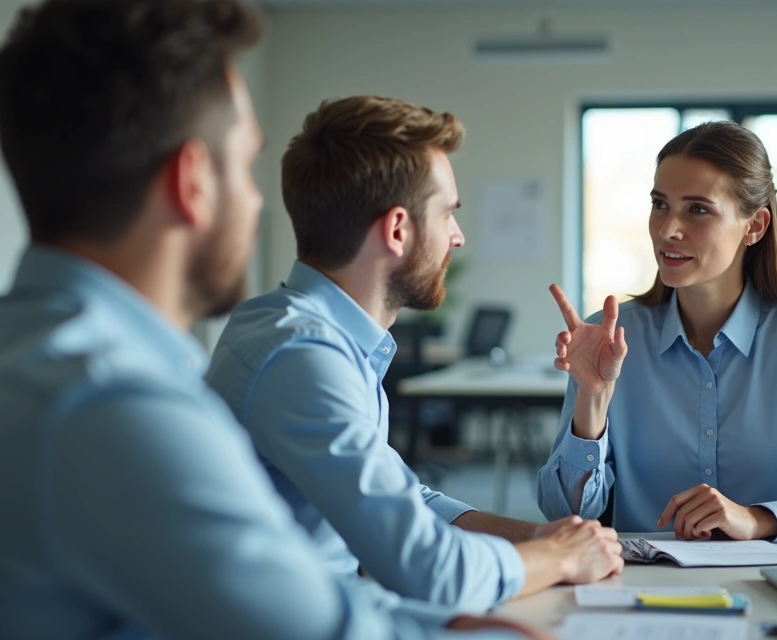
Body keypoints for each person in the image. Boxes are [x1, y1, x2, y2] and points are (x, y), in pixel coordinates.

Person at [0, 2, 547, 638]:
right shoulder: (112, 397)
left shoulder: (7, 348)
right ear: (192, 182)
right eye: (247, 165)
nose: (261, 202)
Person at [206, 95, 623, 612]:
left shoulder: (309, 334)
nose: (458, 237)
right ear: (398, 230)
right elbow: (426, 567)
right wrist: (558, 558)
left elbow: (408, 500)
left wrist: (544, 536)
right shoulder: (302, 357)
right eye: (448, 213)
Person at [537, 120, 777, 542]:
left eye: (697, 209)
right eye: (660, 204)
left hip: (776, 584)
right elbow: (561, 514)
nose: (667, 230)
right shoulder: (611, 339)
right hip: (642, 587)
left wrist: (760, 519)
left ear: (755, 226)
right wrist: (592, 406)